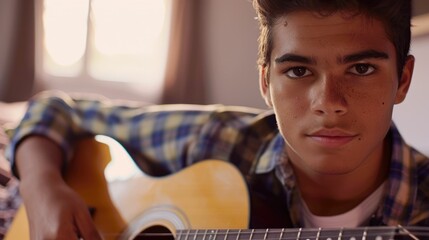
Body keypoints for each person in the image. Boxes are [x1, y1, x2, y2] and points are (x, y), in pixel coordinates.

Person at [5, 0, 429, 239]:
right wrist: (45, 191)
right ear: (266, 82)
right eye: (298, 71)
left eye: (360, 69)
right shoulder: (218, 140)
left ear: (402, 79)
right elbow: (55, 110)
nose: (328, 103)